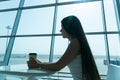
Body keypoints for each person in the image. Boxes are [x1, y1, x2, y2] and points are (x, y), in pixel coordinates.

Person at [27, 15, 101, 80]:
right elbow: (58, 64)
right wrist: (39, 63)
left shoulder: (75, 43)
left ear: (68, 28)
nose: (60, 30)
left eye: (62, 27)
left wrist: (38, 65)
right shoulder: (78, 42)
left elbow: (58, 66)